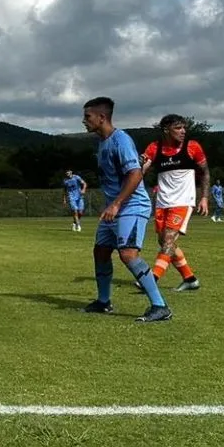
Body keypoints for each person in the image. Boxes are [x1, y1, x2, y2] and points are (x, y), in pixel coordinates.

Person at [80, 98, 170, 322]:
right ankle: (103, 301)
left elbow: (135, 174)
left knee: (128, 254)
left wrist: (117, 203)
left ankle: (160, 306)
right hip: (114, 208)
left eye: (87, 116)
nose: (84, 121)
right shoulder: (103, 142)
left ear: (102, 117)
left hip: (132, 205)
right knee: (100, 251)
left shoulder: (120, 141)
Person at [140, 114, 209, 291]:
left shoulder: (192, 147)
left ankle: (151, 279)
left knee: (169, 239)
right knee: (164, 241)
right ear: (166, 130)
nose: (183, 131)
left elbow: (205, 172)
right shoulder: (155, 147)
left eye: (184, 127)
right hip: (163, 202)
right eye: (178, 128)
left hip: (183, 201)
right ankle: (190, 279)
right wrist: (139, 164)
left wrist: (204, 197)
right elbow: (142, 170)